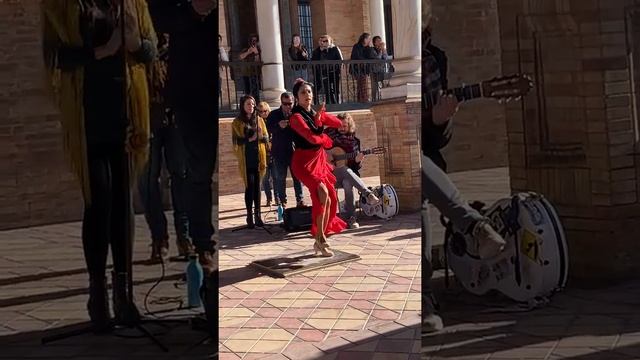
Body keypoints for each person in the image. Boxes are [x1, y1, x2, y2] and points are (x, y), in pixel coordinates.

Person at [42, 0, 157, 331]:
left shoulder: (132, 4)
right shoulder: (60, 6)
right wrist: (102, 51)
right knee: (99, 201)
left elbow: (150, 51)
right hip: (87, 118)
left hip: (127, 117)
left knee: (123, 204)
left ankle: (124, 294)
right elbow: (53, 57)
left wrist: (135, 45)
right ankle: (97, 293)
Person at [422, 2, 506, 333]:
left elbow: (436, 136)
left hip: (425, 157)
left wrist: (441, 120)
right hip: (393, 154)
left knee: (421, 190)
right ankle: (475, 227)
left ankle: (424, 300)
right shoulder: (388, 59)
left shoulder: (434, 59)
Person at [147, 0, 217, 339]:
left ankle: (198, 252)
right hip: (184, 96)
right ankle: (206, 280)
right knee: (190, 180)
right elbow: (156, 12)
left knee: (193, 180)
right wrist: (194, 10)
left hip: (208, 85)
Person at [137, 32, 192, 261]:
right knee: (147, 181)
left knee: (180, 176)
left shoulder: (179, 48)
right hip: (147, 118)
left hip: (175, 121)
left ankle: (184, 237)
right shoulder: (139, 39)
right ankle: (159, 238)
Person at [289, 79, 346, 256]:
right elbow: (312, 138)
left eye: (309, 92)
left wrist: (323, 116)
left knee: (330, 199)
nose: (307, 95)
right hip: (303, 163)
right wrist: (320, 123)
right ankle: (321, 240)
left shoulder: (314, 112)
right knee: (322, 192)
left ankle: (320, 237)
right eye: (303, 93)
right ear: (297, 97)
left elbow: (338, 123)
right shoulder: (296, 117)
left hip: (318, 161)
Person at [325, 113, 380, 229]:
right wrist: (326, 155)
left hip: (345, 175)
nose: (342, 128)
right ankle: (368, 194)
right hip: (328, 174)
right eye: (339, 125)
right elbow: (316, 146)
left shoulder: (354, 141)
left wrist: (358, 161)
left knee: (347, 182)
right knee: (344, 169)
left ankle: (351, 218)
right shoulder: (328, 134)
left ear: (349, 125)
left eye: (345, 126)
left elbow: (356, 168)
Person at [232, 96, 269, 228]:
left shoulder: (259, 120)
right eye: (248, 104)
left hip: (258, 158)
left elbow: (265, 137)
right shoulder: (237, 122)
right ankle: (249, 216)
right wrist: (252, 138)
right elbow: (237, 141)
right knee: (250, 186)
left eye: (253, 104)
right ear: (242, 105)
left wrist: (261, 136)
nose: (251, 106)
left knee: (257, 188)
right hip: (246, 159)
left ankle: (258, 215)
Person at [266, 92, 305, 208]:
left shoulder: (297, 114)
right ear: (281, 103)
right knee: (280, 177)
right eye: (285, 104)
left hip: (294, 151)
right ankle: (282, 201)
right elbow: (268, 129)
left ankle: (300, 199)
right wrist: (278, 126)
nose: (288, 106)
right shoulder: (274, 114)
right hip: (279, 151)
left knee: (297, 176)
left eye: (290, 104)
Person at [311, 35, 343, 104]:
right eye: (322, 41)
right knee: (327, 89)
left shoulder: (335, 48)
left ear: (330, 41)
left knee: (335, 89)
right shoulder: (318, 50)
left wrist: (337, 68)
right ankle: (329, 103)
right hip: (324, 73)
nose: (324, 42)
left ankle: (336, 103)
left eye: (326, 41)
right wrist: (322, 51)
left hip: (334, 72)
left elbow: (340, 60)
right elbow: (316, 61)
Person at [257, 101, 276, 207]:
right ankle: (269, 198)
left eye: (265, 111)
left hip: (273, 152)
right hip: (263, 154)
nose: (262, 113)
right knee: (265, 178)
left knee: (276, 177)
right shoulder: (257, 122)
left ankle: (277, 198)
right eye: (260, 111)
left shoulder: (272, 121)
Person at [349, 32, 378, 103]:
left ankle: (362, 99)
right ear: (364, 39)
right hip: (357, 69)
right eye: (368, 39)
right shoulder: (357, 46)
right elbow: (357, 57)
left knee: (362, 85)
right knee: (361, 85)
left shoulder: (368, 48)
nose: (369, 41)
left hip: (364, 70)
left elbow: (373, 57)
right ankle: (363, 99)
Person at [238, 34, 262, 100]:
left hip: (255, 73)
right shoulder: (246, 49)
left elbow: (258, 61)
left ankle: (256, 102)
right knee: (247, 90)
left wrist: (256, 53)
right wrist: (248, 52)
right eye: (252, 40)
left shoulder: (259, 50)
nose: (253, 42)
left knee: (255, 90)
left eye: (255, 40)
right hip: (246, 72)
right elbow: (240, 57)